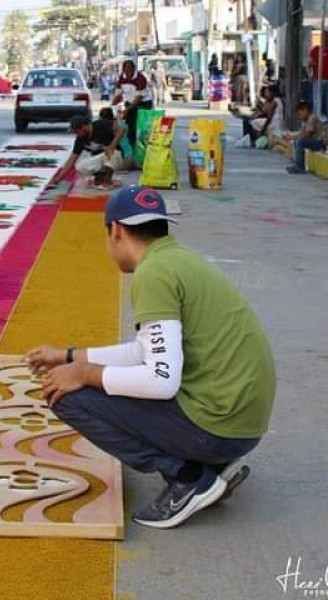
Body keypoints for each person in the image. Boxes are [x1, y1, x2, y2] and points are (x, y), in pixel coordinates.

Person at [26, 186, 276, 529]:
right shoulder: (177, 260)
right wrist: (69, 356)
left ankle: (189, 478)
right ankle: (209, 465)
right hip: (240, 423)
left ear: (115, 230)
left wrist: (84, 374)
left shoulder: (153, 273)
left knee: (68, 395)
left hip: (219, 428)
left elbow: (160, 380)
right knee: (86, 377)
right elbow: (146, 350)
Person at [57, 114, 124, 187]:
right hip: (99, 158)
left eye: (77, 132)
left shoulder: (100, 124)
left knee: (110, 155)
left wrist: (112, 146)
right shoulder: (80, 138)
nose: (77, 134)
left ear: (84, 127)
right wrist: (57, 180)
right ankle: (100, 176)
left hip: (115, 154)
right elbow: (71, 160)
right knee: (80, 167)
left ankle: (108, 178)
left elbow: (121, 129)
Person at [112, 59, 153, 147]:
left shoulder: (140, 78)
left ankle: (139, 146)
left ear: (134, 69)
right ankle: (132, 146)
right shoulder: (122, 77)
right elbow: (119, 93)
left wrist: (127, 110)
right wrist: (113, 106)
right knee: (129, 126)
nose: (128, 73)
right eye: (126, 71)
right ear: (123, 70)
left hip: (143, 104)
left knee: (137, 127)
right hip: (129, 103)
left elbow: (138, 99)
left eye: (130, 71)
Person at [284, 100, 326, 174]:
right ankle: (297, 165)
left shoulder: (312, 118)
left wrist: (293, 137)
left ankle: (300, 167)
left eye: (300, 113)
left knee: (300, 141)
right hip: (315, 142)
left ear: (306, 110)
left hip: (321, 143)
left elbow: (307, 134)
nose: (299, 116)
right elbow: (302, 132)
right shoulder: (306, 121)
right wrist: (292, 137)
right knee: (297, 140)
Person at [308, 33, 328, 118]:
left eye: (326, 36)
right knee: (316, 100)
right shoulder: (316, 49)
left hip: (327, 80)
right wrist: (310, 74)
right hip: (317, 79)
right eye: (324, 36)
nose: (325, 38)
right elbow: (310, 63)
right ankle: (317, 118)